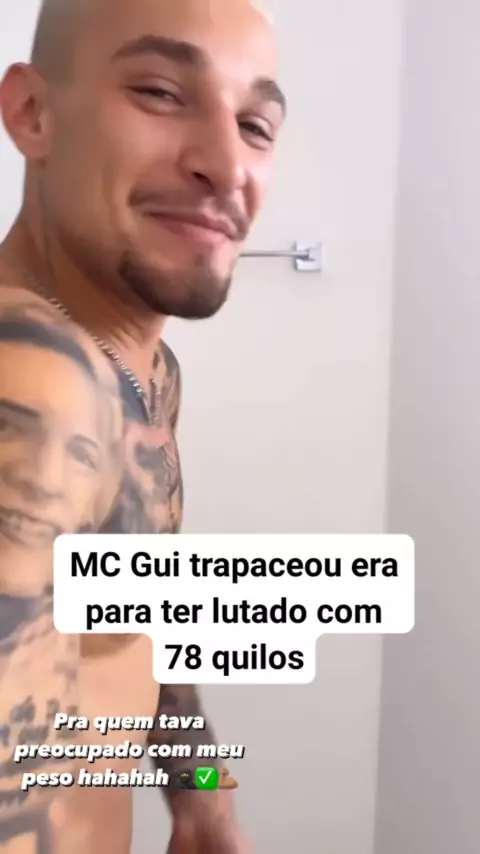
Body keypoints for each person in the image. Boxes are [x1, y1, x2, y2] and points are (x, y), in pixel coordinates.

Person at [0, 0, 286, 851]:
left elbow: (138, 603)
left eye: (256, 126)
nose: (225, 165)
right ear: (33, 113)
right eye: (160, 92)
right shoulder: (34, 378)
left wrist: (202, 793)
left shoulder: (143, 373)